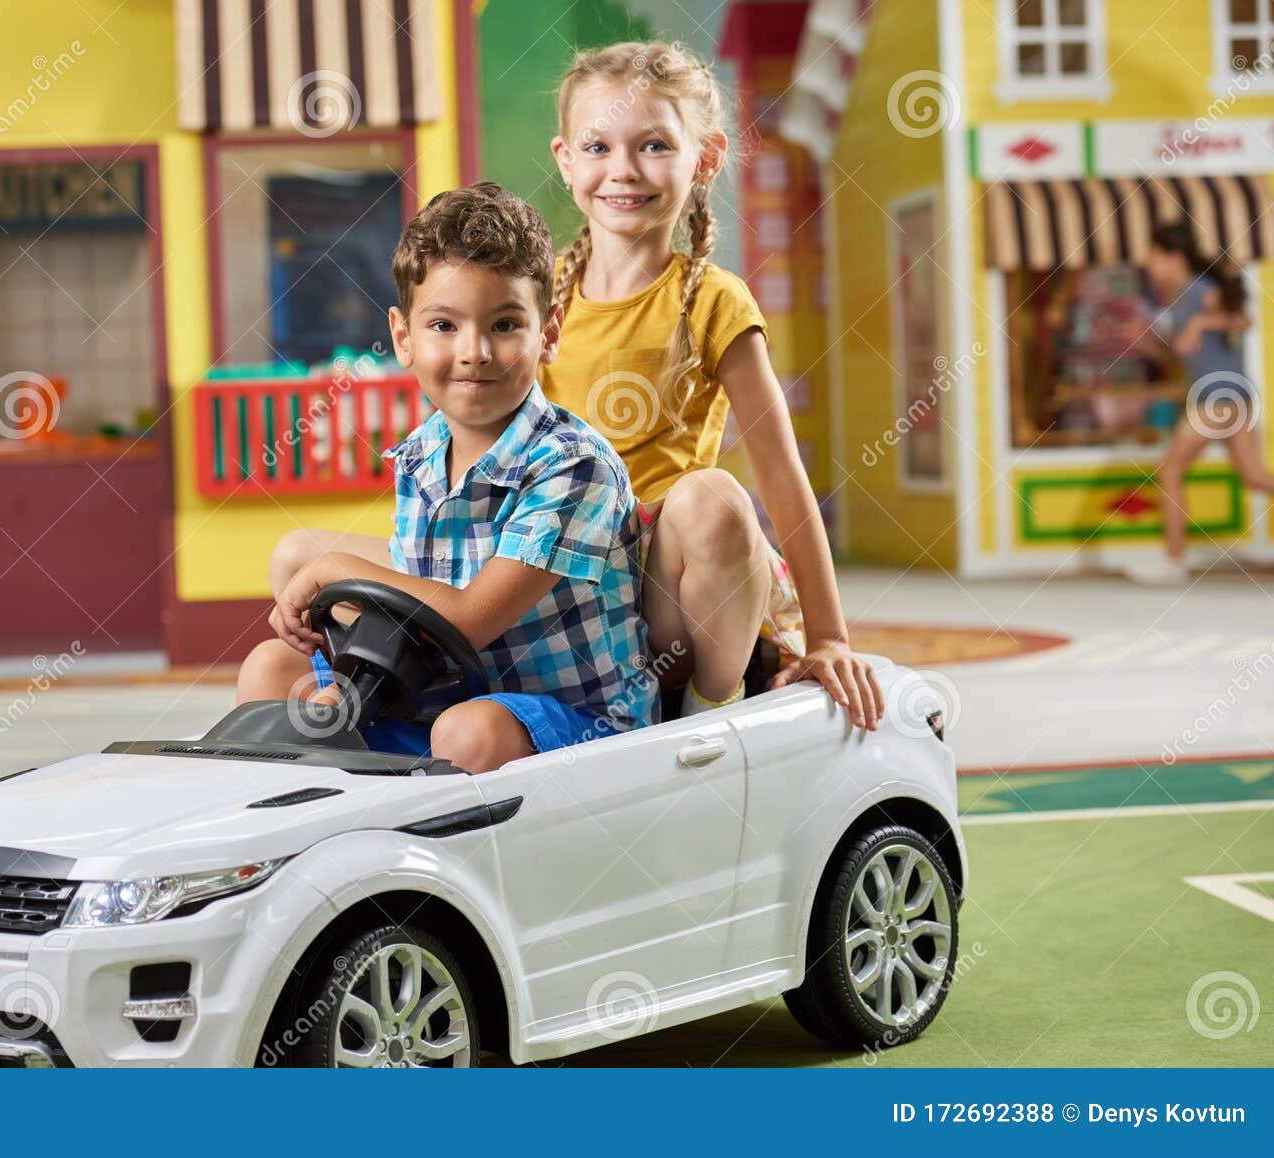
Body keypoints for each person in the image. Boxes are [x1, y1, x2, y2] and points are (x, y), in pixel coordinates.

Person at [272, 41, 885, 732]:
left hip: (654, 583)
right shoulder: (531, 295)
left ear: (706, 159)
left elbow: (781, 477)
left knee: (712, 498)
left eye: (654, 145)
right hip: (530, 554)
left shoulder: (711, 300)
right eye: (598, 147)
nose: (622, 170)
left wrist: (831, 635)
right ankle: (393, 694)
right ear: (566, 160)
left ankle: (710, 711)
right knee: (299, 554)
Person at [236, 182, 655, 773]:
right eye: (443, 326)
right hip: (443, 699)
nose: (474, 351)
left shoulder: (574, 465)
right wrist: (343, 670)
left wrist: (331, 570)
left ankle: (424, 829)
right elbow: (415, 608)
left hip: (575, 718)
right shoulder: (422, 455)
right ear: (403, 338)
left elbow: (465, 619)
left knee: (468, 731)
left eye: (506, 324)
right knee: (269, 668)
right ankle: (318, 820)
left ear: (549, 334)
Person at [1126, 222, 1274, 585]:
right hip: (1231, 398)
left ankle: (1174, 561)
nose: (1148, 265)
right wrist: (1149, 344)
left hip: (1218, 399)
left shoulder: (1198, 290)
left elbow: (1242, 319)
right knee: (1254, 477)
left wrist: (1199, 325)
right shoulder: (1179, 297)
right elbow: (1182, 354)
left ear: (1173, 257)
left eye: (1153, 256)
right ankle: (1174, 560)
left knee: (1170, 470)